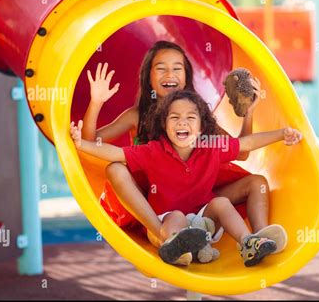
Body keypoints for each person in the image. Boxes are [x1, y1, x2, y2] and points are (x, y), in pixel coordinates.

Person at [82, 40, 286, 253]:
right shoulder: (137, 116)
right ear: (148, 77)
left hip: (198, 200)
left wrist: (249, 114)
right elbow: (91, 141)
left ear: (186, 77)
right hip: (158, 206)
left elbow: (242, 152)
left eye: (177, 69)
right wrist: (96, 102)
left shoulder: (196, 116)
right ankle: (162, 233)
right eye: (161, 68)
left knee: (257, 183)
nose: (169, 74)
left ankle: (260, 240)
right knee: (115, 167)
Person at [71, 90, 303, 266]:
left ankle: (249, 242)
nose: (182, 122)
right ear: (164, 125)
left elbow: (247, 143)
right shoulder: (154, 151)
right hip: (167, 219)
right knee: (177, 217)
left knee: (221, 203)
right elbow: (115, 154)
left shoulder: (211, 146)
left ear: (202, 128)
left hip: (204, 219)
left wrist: (282, 134)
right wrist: (82, 145)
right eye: (175, 118)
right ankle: (175, 247)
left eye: (191, 118)